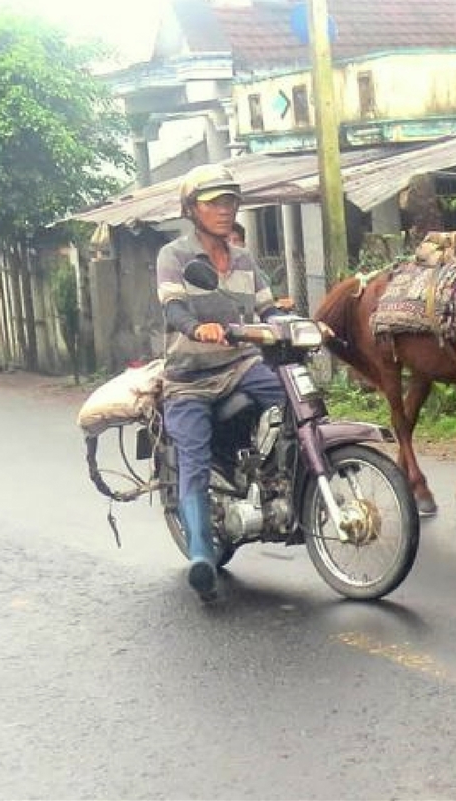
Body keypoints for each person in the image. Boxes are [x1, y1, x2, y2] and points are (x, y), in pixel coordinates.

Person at [156, 164, 285, 599]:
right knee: (192, 457)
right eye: (214, 202)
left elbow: (268, 310)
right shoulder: (174, 256)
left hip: (240, 364)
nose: (225, 209)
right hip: (189, 378)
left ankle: (278, 480)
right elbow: (173, 309)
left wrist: (295, 324)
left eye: (230, 201)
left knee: (291, 393)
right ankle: (200, 556)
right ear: (192, 209)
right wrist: (197, 328)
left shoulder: (245, 259)